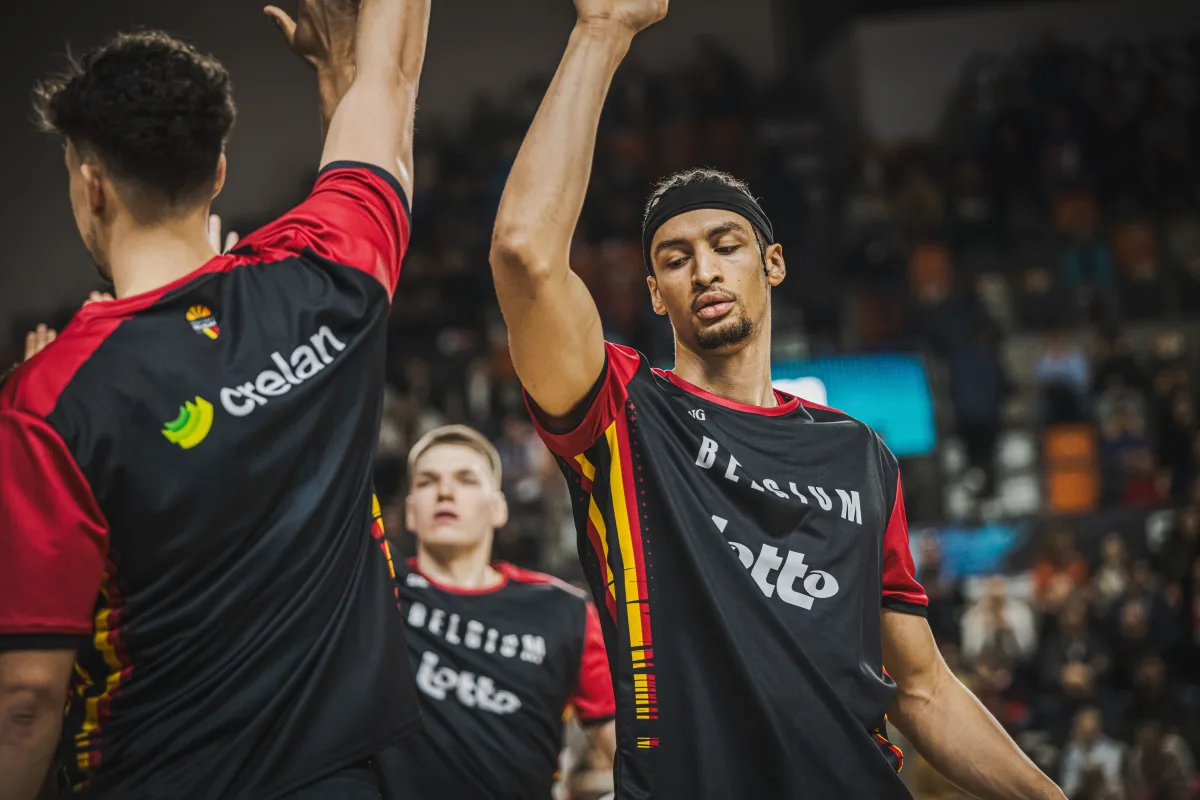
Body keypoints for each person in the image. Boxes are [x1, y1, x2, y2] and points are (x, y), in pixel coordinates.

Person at [487, 0, 1065, 796]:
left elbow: (924, 690)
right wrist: (603, 31)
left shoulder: (860, 455)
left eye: (727, 246)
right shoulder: (622, 413)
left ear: (774, 265)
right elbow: (523, 253)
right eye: (677, 258)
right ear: (656, 294)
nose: (706, 270)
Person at [0, 0, 430, 796]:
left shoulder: (49, 399)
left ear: (91, 187)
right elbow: (392, 89)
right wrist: (347, 72)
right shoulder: (328, 274)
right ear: (219, 171)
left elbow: (25, 700)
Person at [385, 424, 617, 798]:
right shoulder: (379, 594)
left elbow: (630, 751)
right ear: (410, 513)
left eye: (466, 480)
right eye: (427, 482)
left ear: (498, 508)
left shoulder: (562, 610)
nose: (445, 492)